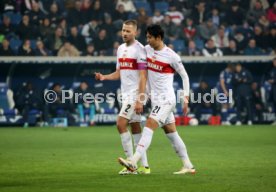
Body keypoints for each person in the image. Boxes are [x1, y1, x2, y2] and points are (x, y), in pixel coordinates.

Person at [118, 24, 195, 175]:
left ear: (158, 38)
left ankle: (133, 162)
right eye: (146, 37)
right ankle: (188, 165)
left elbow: (185, 76)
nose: (147, 40)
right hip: (156, 100)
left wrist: (185, 98)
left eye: (149, 38)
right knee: (172, 133)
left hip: (166, 99)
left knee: (149, 124)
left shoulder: (172, 56)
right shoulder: (147, 50)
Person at [95, 20, 150, 175]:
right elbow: (119, 72)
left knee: (120, 124)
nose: (124, 33)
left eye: (128, 31)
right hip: (125, 94)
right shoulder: (120, 49)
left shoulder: (139, 50)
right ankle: (145, 167)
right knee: (135, 127)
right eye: (123, 30)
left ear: (135, 32)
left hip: (135, 94)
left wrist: (140, 98)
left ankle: (130, 165)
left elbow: (143, 76)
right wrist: (104, 77)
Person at [268, 58, 276, 125]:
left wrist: (274, 81)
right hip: (273, 89)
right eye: (273, 62)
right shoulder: (272, 70)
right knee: (274, 104)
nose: (274, 63)